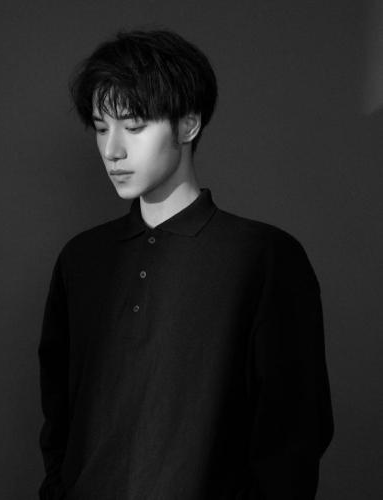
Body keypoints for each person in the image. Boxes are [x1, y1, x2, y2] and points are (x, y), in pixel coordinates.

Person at [38, 29, 334, 500]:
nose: (112, 150)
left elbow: (294, 431)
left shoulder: (262, 256)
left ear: (188, 125)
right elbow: (58, 410)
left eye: (134, 126)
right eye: (101, 127)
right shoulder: (82, 258)